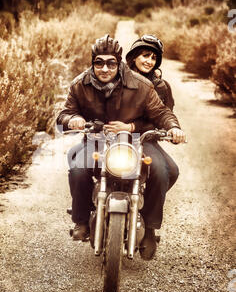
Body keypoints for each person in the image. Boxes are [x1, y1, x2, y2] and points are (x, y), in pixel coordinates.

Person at [56, 34, 186, 260]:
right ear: (92, 62)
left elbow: (162, 112)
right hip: (97, 138)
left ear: (119, 63)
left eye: (111, 63)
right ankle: (81, 220)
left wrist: (174, 127)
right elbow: (64, 114)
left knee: (163, 170)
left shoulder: (142, 85)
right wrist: (72, 119)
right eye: (99, 62)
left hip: (136, 140)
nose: (105, 68)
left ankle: (149, 226)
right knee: (78, 169)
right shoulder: (80, 84)